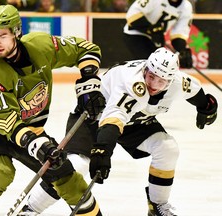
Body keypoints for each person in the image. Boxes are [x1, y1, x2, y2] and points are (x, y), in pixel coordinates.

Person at [0, 4, 105, 216]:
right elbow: (8, 123)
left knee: (68, 178)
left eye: (2, 35)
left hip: (30, 129)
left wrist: (90, 81)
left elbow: (86, 49)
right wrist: (39, 146)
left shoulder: (41, 45)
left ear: (16, 32)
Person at [88, 47, 217, 215]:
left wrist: (206, 107)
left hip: (134, 123)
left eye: (161, 81)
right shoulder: (131, 84)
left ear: (171, 81)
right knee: (77, 164)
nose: (154, 85)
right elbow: (113, 120)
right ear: (145, 69)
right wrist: (102, 151)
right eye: (151, 77)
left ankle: (157, 205)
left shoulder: (177, 82)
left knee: (168, 149)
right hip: (97, 117)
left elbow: (195, 91)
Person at [123, 0, 193, 69]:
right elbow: (132, 15)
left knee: (160, 67)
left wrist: (182, 50)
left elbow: (179, 34)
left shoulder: (186, 7)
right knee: (148, 66)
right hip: (135, 33)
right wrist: (151, 30)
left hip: (157, 38)